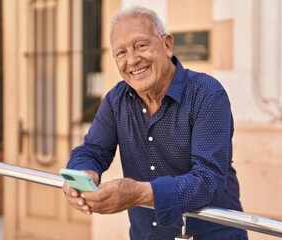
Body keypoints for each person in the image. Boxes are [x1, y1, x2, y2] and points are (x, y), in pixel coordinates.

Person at [62, 6, 248, 240]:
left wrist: (139, 193)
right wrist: (81, 175)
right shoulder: (115, 100)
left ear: (167, 45)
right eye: (120, 53)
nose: (132, 60)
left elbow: (208, 180)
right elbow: (92, 150)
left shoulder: (207, 94)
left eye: (141, 45)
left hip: (211, 235)